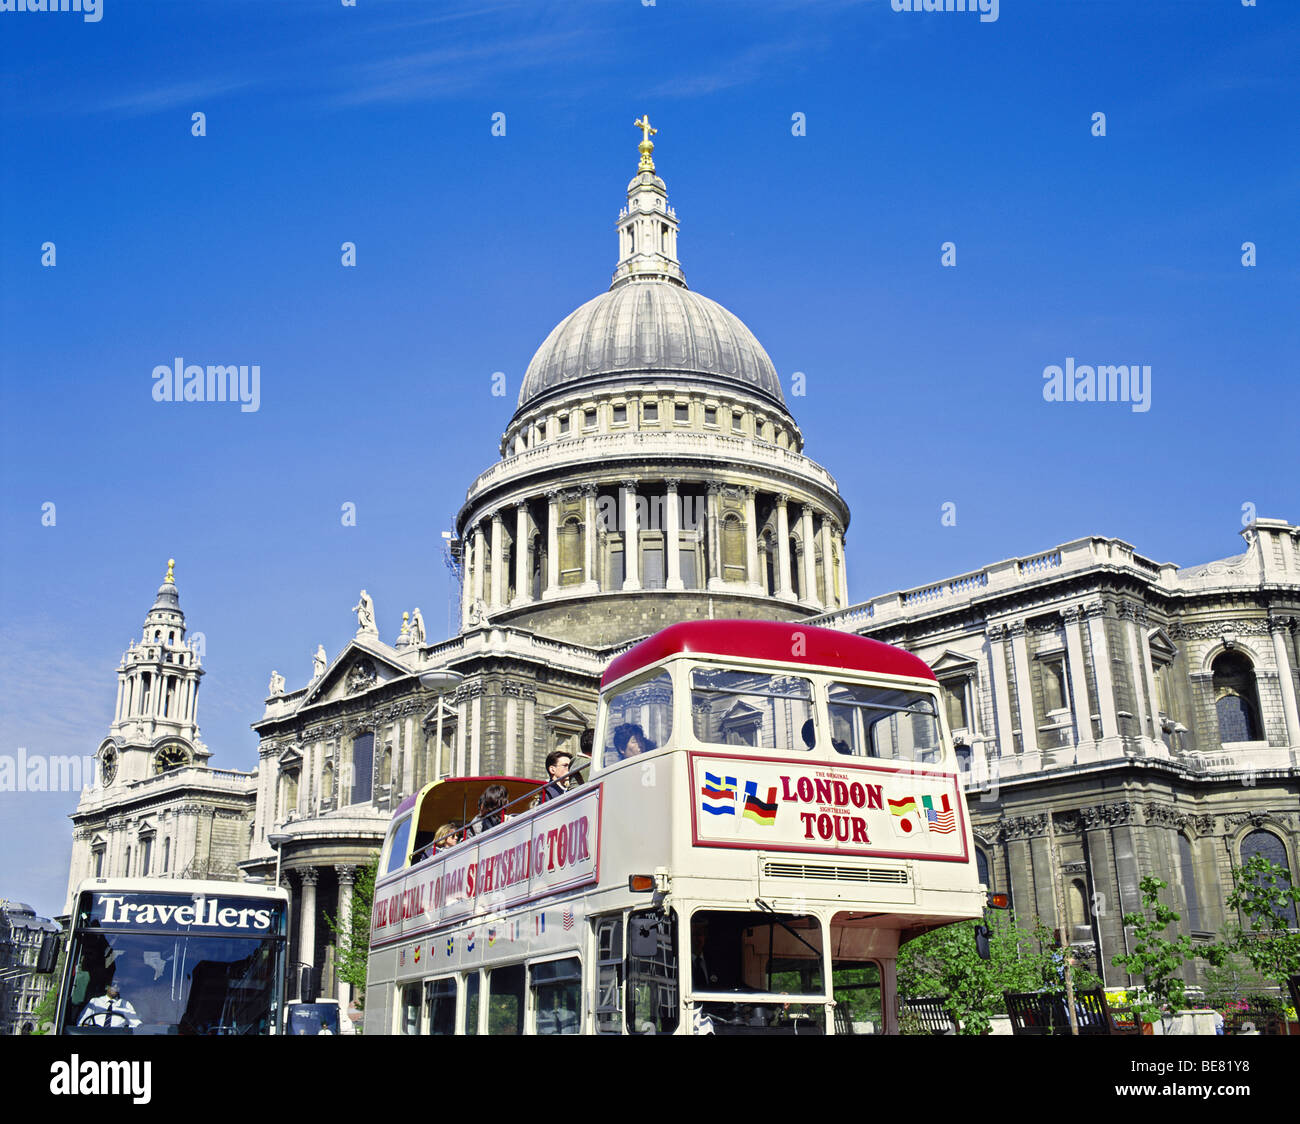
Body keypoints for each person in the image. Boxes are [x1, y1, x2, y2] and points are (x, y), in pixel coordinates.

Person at [78, 983, 142, 1029]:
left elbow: (136, 1025)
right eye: (113, 984)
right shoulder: (95, 1001)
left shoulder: (126, 1004)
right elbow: (82, 1023)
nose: (116, 986)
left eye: (118, 985)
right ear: (107, 987)